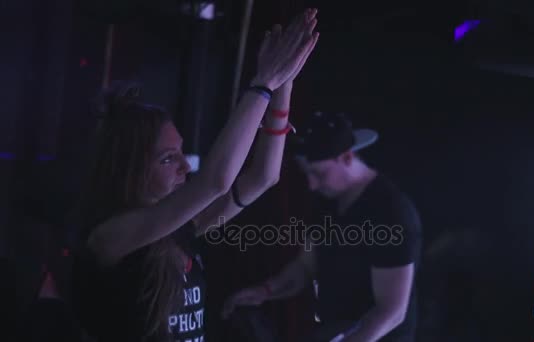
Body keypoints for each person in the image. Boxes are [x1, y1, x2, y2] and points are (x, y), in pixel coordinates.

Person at [70, 8, 319, 342]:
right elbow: (217, 181)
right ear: (130, 168)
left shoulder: (182, 229)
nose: (185, 167)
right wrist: (263, 84)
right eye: (168, 159)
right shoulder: (111, 236)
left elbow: (263, 176)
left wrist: (283, 83)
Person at [222, 112, 423, 341]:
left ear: (347, 158)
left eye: (319, 173)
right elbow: (305, 268)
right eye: (307, 174)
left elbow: (391, 312)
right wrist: (266, 291)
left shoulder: (390, 212)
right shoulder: (327, 202)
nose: (311, 184)